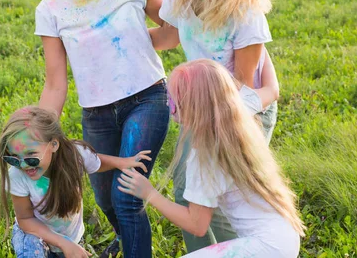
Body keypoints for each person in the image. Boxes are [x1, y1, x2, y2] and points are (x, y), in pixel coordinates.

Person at [35, 0, 170, 258]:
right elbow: (55, 84)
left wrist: (134, 42)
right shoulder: (50, 8)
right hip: (96, 114)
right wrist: (37, 137)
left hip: (147, 100)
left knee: (126, 197)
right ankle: (129, 240)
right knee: (106, 200)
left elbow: (174, 32)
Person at [148, 0, 279, 251]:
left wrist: (200, 117)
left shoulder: (245, 13)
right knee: (189, 187)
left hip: (242, 106)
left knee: (222, 194)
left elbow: (241, 82)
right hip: (202, 102)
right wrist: (116, 38)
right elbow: (168, 37)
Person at [117, 60, 304, 258]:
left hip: (266, 248)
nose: (168, 104)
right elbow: (271, 90)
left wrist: (149, 193)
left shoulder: (205, 157)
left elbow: (197, 225)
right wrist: (262, 52)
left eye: (171, 100)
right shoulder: (238, 109)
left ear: (191, 106)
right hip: (286, 236)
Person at [0, 106, 153, 258]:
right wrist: (63, 243)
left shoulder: (75, 156)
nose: (23, 165)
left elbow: (96, 162)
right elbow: (25, 219)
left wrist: (121, 162)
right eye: (14, 158)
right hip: (36, 237)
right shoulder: (17, 175)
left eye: (31, 155)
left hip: (72, 238)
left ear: (54, 144)